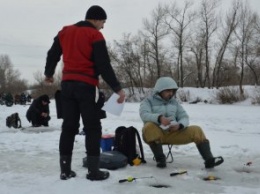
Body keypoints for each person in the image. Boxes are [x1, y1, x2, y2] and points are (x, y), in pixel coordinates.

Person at [44, 5, 126, 181]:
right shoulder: (95, 35)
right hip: (87, 86)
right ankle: (94, 172)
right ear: (96, 19)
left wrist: (49, 73)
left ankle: (65, 171)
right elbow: (104, 65)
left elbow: (53, 53)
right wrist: (118, 89)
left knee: (68, 127)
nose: (103, 26)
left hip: (67, 86)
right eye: (103, 22)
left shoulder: (64, 32)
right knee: (93, 128)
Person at [139, 77, 224, 169]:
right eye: (168, 91)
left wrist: (179, 126)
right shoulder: (147, 101)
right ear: (160, 90)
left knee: (197, 130)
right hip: (154, 135)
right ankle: (160, 159)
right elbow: (144, 114)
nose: (170, 93)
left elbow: (184, 117)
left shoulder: (174, 103)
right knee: (149, 126)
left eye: (172, 91)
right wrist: (159, 118)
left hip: (172, 133)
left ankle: (209, 160)